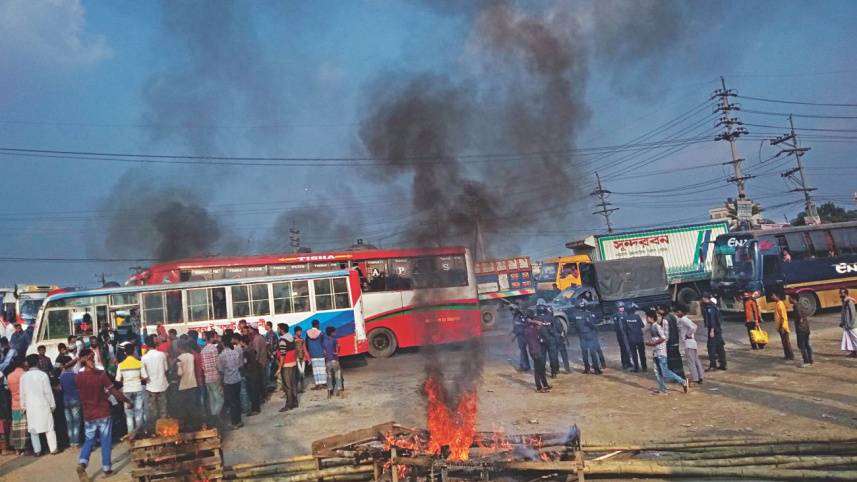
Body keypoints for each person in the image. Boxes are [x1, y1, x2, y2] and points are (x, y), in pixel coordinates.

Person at [75, 348, 131, 481]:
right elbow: (114, 392)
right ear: (90, 359)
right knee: (105, 441)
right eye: (93, 358)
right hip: (103, 413)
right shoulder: (101, 375)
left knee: (89, 440)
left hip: (88, 414)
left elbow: (86, 393)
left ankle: (82, 464)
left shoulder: (78, 377)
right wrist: (127, 401)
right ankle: (107, 469)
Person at [20, 353, 58, 455]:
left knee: (34, 430)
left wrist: (23, 407)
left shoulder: (24, 377)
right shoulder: (43, 375)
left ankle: (37, 451)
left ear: (27, 363)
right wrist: (52, 405)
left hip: (30, 406)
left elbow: (22, 394)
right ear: (38, 362)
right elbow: (48, 392)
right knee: (49, 428)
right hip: (43, 404)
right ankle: (53, 448)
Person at [645, 310, 689, 395]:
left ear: (651, 318)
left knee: (664, 371)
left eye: (647, 317)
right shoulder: (653, 327)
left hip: (661, 352)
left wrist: (653, 343)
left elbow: (663, 337)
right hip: (656, 352)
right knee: (658, 372)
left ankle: (682, 381)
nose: (646, 319)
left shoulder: (656, 326)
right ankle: (662, 389)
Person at [140, 335, 169, 431]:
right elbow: (166, 369)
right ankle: (164, 429)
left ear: (146, 345)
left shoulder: (144, 358)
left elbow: (144, 376)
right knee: (163, 409)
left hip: (151, 387)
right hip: (163, 385)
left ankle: (155, 430)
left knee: (153, 411)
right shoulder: (162, 355)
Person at [115, 344, 144, 433]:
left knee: (129, 415)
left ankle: (131, 435)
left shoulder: (121, 365)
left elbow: (117, 379)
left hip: (127, 390)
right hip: (138, 389)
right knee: (138, 413)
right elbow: (144, 376)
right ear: (134, 352)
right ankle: (139, 434)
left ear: (125, 353)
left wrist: (125, 379)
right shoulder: (139, 363)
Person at [217, 337, 243, 429]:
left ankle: (234, 422)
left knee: (232, 402)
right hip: (237, 379)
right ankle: (239, 421)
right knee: (237, 400)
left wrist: (220, 384)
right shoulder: (235, 353)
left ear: (223, 344)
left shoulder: (221, 356)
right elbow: (240, 365)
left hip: (229, 381)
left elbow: (220, 371)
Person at [675, 305, 704, 385]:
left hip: (688, 342)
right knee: (696, 361)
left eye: (678, 312)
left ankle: (695, 379)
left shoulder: (683, 320)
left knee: (691, 362)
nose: (677, 313)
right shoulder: (686, 319)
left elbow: (692, 328)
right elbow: (695, 326)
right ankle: (700, 376)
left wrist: (688, 334)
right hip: (693, 342)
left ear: (682, 312)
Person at [175, 341, 200, 429]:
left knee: (185, 406)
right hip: (193, 383)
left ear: (179, 348)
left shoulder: (179, 358)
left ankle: (187, 424)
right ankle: (195, 423)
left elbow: (180, 373)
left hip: (184, 385)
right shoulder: (191, 356)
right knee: (193, 405)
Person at [573, 300, 602, 375]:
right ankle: (596, 369)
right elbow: (592, 324)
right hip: (589, 334)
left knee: (584, 352)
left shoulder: (575, 315)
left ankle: (587, 368)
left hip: (581, 335)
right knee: (593, 352)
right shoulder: (587, 314)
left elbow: (574, 326)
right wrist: (596, 330)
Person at [275, 323, 299, 412]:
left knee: (287, 386)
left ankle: (289, 404)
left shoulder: (282, 341)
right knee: (293, 384)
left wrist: (279, 368)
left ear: (281, 330)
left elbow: (282, 355)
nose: (277, 330)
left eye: (278, 329)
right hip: (293, 363)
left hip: (286, 365)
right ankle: (295, 401)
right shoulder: (291, 338)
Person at [657, 305, 685, 379]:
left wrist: (664, 343)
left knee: (672, 361)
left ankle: (676, 377)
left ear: (662, 310)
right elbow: (677, 328)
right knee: (677, 359)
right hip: (675, 340)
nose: (658, 311)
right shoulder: (672, 317)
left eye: (659, 310)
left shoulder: (665, 320)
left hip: (670, 342)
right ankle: (681, 375)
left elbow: (666, 334)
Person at [524, 313, 550, 392]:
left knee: (541, 368)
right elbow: (540, 324)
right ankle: (539, 387)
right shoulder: (532, 330)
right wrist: (532, 321)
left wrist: (530, 321)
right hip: (535, 351)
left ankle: (545, 384)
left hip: (534, 350)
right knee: (538, 370)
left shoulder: (527, 330)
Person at [8, 358, 29, 454]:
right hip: (25, 404)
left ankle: (17, 449)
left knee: (16, 426)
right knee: (25, 427)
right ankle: (25, 448)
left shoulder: (9, 376)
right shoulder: (25, 374)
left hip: (14, 404)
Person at [701, 292, 727, 371]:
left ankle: (713, 364)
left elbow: (712, 320)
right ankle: (723, 364)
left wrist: (711, 331)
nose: (701, 300)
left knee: (711, 347)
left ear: (706, 298)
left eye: (702, 298)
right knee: (719, 347)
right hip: (718, 329)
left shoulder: (709, 308)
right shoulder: (714, 306)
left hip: (714, 330)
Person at [59, 362, 82, 447]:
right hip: (75, 398)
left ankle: (71, 442)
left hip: (66, 399)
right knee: (76, 422)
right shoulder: (75, 375)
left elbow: (61, 388)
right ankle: (76, 442)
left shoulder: (62, 376)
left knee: (69, 422)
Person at [201, 331, 222, 418]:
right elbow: (217, 364)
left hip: (207, 378)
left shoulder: (203, 350)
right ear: (212, 338)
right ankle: (215, 416)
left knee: (212, 399)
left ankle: (213, 416)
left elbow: (203, 366)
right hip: (215, 376)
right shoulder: (214, 349)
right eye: (215, 337)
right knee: (219, 399)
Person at [238, 335, 261, 416]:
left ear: (243, 342)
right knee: (255, 392)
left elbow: (246, 363)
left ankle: (254, 409)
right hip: (255, 373)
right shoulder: (252, 349)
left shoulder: (246, 352)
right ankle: (257, 408)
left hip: (250, 374)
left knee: (252, 392)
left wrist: (245, 371)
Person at [788, 294, 813, 367]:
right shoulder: (801, 305)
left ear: (793, 299)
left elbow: (800, 317)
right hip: (806, 328)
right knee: (806, 344)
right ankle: (810, 360)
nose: (789, 299)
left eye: (790, 298)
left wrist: (799, 323)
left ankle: (806, 361)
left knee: (801, 345)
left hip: (801, 328)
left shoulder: (797, 307)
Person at [772, 293, 795, 361]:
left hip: (783, 327)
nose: (772, 297)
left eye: (774, 296)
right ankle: (787, 355)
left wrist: (781, 327)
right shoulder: (777, 304)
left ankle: (790, 356)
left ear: (777, 296)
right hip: (780, 326)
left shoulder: (780, 305)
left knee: (786, 342)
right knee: (784, 342)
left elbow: (782, 317)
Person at [623, 307, 647, 372]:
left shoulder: (625, 318)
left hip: (631, 338)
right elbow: (642, 325)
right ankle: (644, 367)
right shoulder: (637, 317)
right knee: (642, 353)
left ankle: (636, 367)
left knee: (634, 354)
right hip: (639, 337)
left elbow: (624, 328)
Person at [322, 326, 344, 398]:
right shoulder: (334, 340)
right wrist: (337, 352)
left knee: (329, 377)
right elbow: (338, 347)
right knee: (337, 376)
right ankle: (340, 393)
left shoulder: (324, 340)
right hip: (335, 360)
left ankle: (329, 394)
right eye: (334, 332)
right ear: (331, 333)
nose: (335, 333)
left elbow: (324, 351)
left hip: (328, 361)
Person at [305, 320, 327, 389]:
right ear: (317, 325)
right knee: (322, 369)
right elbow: (323, 343)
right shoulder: (320, 333)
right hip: (320, 353)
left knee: (315, 369)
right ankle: (324, 383)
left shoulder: (308, 333)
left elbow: (307, 343)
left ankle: (318, 384)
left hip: (313, 353)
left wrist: (309, 352)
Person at [249, 326, 269, 402]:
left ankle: (264, 396)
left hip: (259, 362)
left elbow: (256, 353)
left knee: (260, 380)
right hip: (263, 361)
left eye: (250, 329)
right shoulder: (260, 337)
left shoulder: (256, 339)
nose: (249, 331)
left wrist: (254, 362)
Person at [612, 302, 633, 370]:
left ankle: (628, 362)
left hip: (626, 334)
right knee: (623, 348)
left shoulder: (625, 313)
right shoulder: (616, 315)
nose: (622, 308)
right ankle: (624, 363)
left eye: (623, 307)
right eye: (620, 307)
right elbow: (616, 326)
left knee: (628, 348)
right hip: (621, 334)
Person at [511, 304, 531, 372]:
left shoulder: (521, 316)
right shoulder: (515, 317)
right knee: (523, 352)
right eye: (511, 310)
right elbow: (515, 327)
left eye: (513, 310)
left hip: (524, 336)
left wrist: (519, 324)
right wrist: (513, 334)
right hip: (519, 336)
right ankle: (527, 366)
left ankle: (522, 366)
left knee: (523, 352)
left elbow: (527, 324)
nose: (512, 312)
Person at [840, 288, 857, 357]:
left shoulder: (849, 301)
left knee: (855, 337)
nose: (841, 294)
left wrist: (850, 324)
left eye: (842, 293)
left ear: (845, 293)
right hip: (847, 324)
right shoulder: (845, 301)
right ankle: (854, 351)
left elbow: (853, 314)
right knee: (850, 338)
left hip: (851, 325)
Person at [293, 326, 308, 393]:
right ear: (296, 332)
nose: (301, 333)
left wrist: (307, 356)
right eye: (300, 331)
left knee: (302, 374)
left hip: (302, 358)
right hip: (297, 358)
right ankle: (297, 388)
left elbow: (304, 348)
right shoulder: (293, 339)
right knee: (298, 374)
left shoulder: (302, 339)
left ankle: (301, 388)